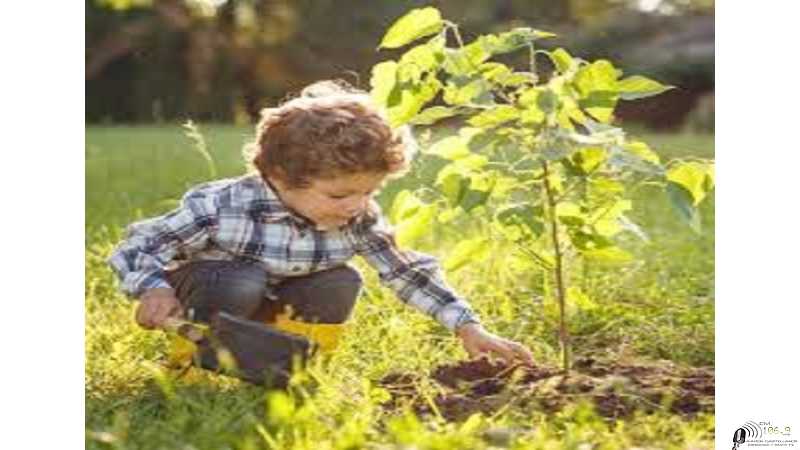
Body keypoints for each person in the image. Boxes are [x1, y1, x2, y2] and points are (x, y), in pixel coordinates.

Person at [107, 79, 534, 375]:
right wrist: (153, 288)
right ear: (278, 176)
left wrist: (468, 326)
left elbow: (406, 271)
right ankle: (193, 365)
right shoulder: (222, 207)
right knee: (240, 277)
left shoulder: (358, 217)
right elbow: (139, 245)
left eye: (370, 192)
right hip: (217, 295)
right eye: (339, 195)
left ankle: (292, 365)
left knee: (340, 280)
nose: (358, 206)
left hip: (280, 301)